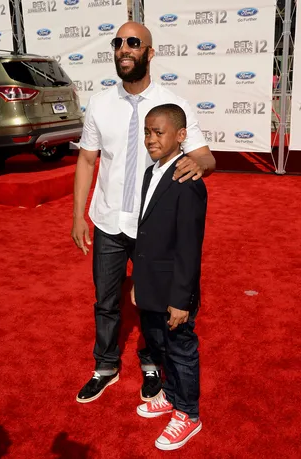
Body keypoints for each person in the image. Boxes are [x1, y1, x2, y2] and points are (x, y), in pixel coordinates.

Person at [71, 21, 215, 404]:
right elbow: (87, 160)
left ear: (149, 53)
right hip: (108, 220)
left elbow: (204, 155)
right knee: (106, 299)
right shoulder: (100, 103)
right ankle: (105, 366)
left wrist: (200, 165)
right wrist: (76, 215)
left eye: (133, 43)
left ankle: (151, 363)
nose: (124, 48)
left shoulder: (173, 104)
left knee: (151, 300)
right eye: (118, 42)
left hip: (152, 226)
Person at [131, 103, 206, 451]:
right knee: (160, 344)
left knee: (181, 350)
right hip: (152, 283)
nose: (151, 139)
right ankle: (172, 397)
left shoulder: (188, 179)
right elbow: (146, 232)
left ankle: (188, 415)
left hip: (175, 290)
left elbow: (189, 247)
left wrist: (181, 299)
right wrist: (138, 281)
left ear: (181, 135)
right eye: (147, 132)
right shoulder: (151, 172)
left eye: (158, 132)